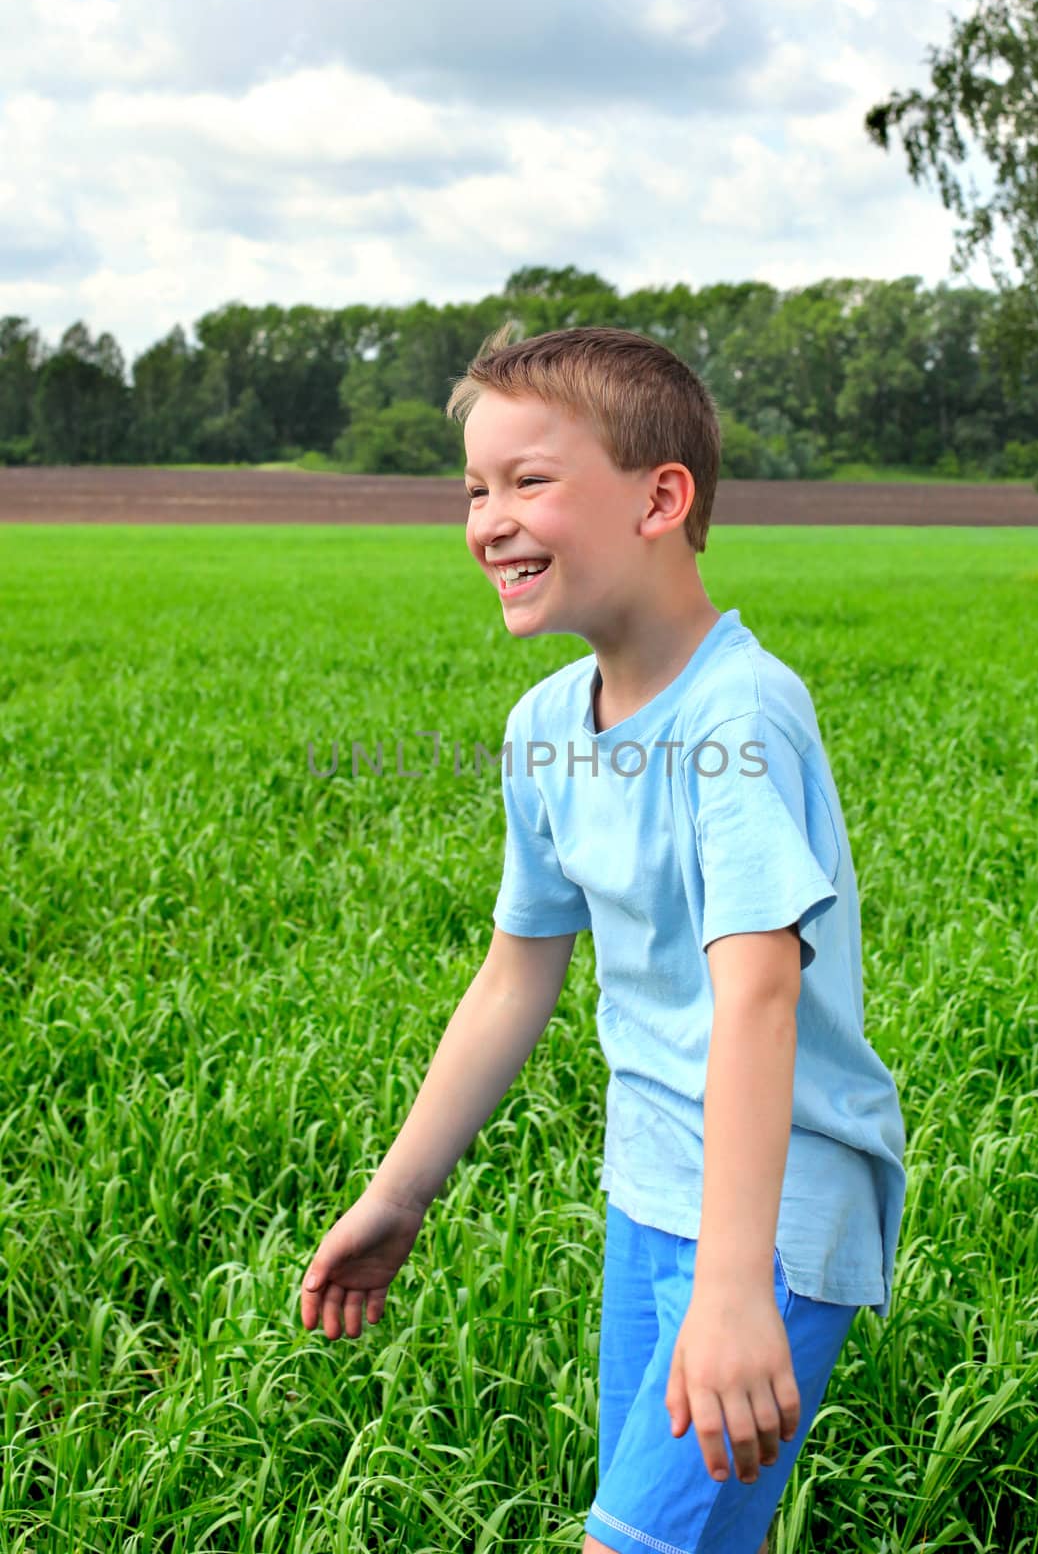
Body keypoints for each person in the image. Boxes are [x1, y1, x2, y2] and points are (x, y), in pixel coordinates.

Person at [301, 323, 907, 1554]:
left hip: (770, 1218)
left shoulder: (739, 714)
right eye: (474, 489)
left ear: (659, 498)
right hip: (650, 1196)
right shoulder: (541, 727)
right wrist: (396, 1193)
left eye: (528, 481)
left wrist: (736, 1284)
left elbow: (757, 997)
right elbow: (514, 974)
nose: (487, 519)